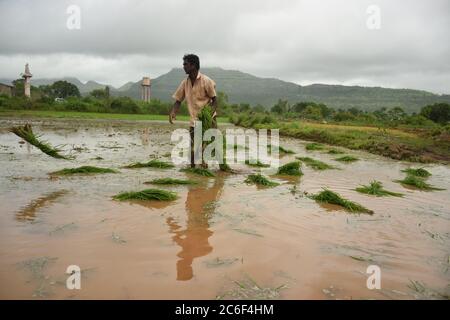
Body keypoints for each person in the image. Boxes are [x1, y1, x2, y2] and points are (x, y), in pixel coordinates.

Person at [169, 54, 218, 168]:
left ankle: (215, 171)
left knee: (210, 148)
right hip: (194, 121)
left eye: (185, 64)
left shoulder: (206, 81)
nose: (183, 67)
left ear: (193, 65)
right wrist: (173, 112)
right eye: (183, 64)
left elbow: (215, 100)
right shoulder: (184, 83)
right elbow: (178, 100)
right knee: (193, 149)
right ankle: (193, 174)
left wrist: (209, 115)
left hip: (208, 120)